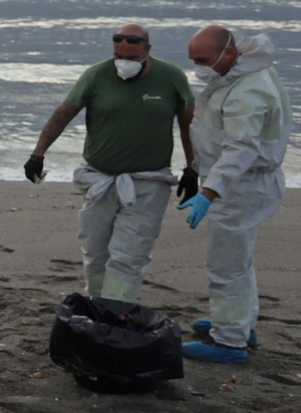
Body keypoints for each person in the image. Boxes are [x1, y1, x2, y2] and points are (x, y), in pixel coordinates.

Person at [25, 24, 196, 303]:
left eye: (131, 58)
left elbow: (190, 124)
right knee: (95, 251)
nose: (124, 63)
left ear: (148, 50)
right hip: (99, 178)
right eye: (119, 56)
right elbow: (64, 113)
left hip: (149, 182)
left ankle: (116, 309)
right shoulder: (96, 75)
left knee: (129, 254)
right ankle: (95, 298)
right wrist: (38, 154)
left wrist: (193, 169)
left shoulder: (171, 77)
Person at [178, 27, 291, 364]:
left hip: (242, 185)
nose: (198, 67)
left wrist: (208, 193)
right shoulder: (241, 71)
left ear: (228, 53)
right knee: (239, 261)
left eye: (202, 60)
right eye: (193, 60)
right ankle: (241, 324)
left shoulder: (249, 90)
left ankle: (229, 341)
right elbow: (215, 132)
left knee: (226, 264)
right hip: (241, 181)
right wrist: (196, 168)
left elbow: (240, 150)